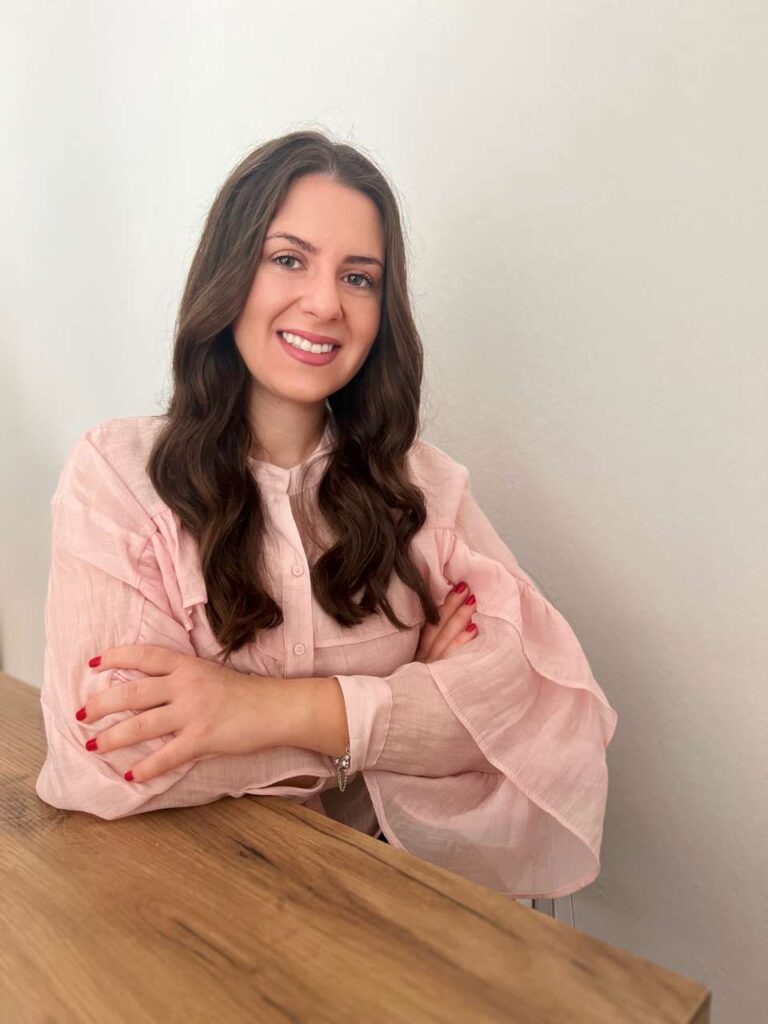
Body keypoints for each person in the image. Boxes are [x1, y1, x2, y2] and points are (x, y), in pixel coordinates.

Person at [35, 130, 618, 899]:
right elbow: (112, 757)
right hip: (179, 910)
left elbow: (533, 710)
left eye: (358, 277)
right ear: (230, 273)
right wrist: (396, 718)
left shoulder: (427, 489)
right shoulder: (117, 476)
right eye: (289, 259)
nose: (324, 303)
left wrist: (257, 710)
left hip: (379, 910)